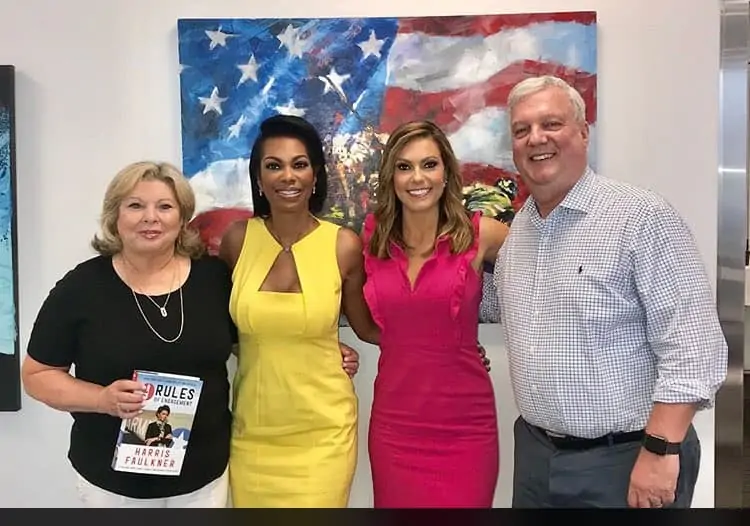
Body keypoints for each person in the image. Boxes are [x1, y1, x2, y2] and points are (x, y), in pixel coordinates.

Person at [21, 161, 361, 508]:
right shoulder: (82, 288)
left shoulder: (212, 280)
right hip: (112, 484)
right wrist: (101, 399)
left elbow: (252, 337)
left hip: (203, 480)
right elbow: (37, 375)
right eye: (135, 205)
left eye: (164, 206)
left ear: (182, 219)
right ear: (114, 217)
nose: (150, 217)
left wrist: (319, 349)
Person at [492, 75, 727, 508]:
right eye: (522, 130)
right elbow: (491, 306)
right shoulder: (519, 231)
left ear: (583, 132)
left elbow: (694, 348)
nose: (535, 139)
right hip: (536, 458)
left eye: (551, 124)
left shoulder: (640, 217)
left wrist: (661, 450)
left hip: (628, 458)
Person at [219, 114, 380, 508]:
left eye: (299, 164)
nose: (287, 176)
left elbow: (368, 328)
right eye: (273, 165)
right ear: (258, 178)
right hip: (252, 433)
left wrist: (451, 346)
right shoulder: (238, 241)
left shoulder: (343, 245)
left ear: (315, 175)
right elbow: (219, 331)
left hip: (323, 434)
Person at [361, 120, 508, 508]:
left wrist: (457, 344)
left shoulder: (483, 234)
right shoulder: (372, 240)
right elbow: (358, 320)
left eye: (429, 164)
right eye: (404, 166)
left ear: (447, 173)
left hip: (465, 428)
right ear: (391, 176)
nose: (417, 178)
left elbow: (542, 280)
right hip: (395, 427)